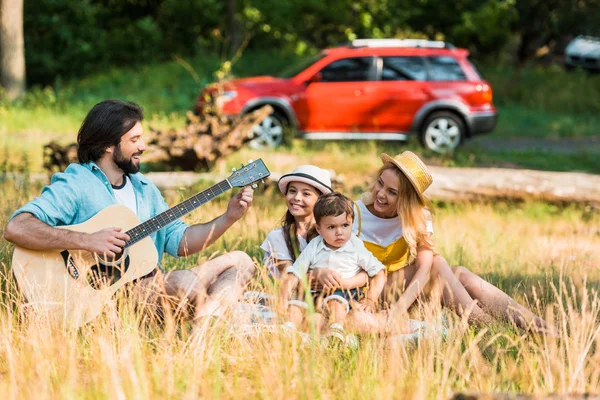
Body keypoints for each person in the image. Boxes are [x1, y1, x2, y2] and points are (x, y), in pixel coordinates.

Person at [3, 99, 256, 321]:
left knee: (242, 262)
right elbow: (17, 227)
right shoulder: (77, 183)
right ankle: (216, 313)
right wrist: (87, 240)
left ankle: (204, 325)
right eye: (134, 139)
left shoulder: (145, 189)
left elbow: (181, 242)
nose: (144, 146)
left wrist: (228, 218)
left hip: (153, 286)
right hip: (108, 298)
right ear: (107, 146)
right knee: (185, 283)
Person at [348, 151, 552, 334]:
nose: (381, 194)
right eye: (380, 183)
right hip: (367, 294)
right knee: (438, 263)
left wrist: (398, 309)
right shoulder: (354, 213)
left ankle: (537, 325)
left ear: (406, 199)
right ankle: (492, 329)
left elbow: (423, 271)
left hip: (402, 295)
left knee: (459, 273)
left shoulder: (417, 217)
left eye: (392, 192)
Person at [279, 192, 387, 341]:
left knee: (336, 301)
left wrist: (370, 299)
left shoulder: (355, 246)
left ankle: (336, 329)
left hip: (344, 293)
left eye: (345, 225)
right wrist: (284, 295)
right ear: (319, 229)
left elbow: (379, 272)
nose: (339, 232)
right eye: (331, 227)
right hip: (315, 293)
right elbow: (296, 271)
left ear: (352, 223)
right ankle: (288, 327)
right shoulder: (314, 246)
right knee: (296, 304)